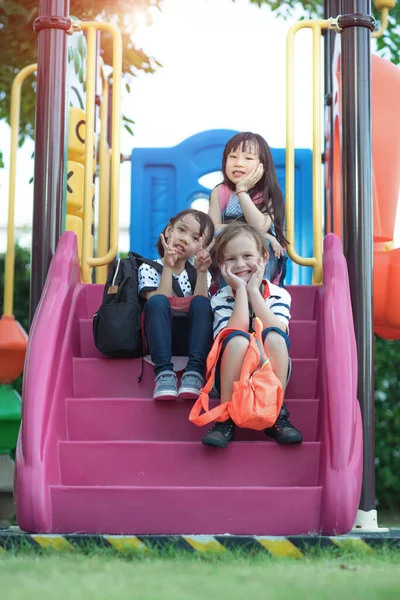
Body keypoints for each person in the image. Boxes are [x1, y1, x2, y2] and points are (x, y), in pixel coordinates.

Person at [201, 222, 302, 449]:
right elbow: (231, 332)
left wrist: (254, 291)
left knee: (274, 336)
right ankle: (225, 417)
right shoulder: (220, 298)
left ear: (264, 258)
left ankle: (276, 414)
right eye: (231, 259)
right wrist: (240, 292)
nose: (240, 265)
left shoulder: (278, 295)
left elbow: (279, 329)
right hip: (230, 373)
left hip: (267, 371)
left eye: (247, 256)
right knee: (237, 340)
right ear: (221, 264)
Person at [138, 209, 215, 401]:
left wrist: (203, 272)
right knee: (157, 301)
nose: (185, 239)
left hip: (189, 340)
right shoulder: (148, 267)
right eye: (181, 230)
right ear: (169, 229)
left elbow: (202, 310)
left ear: (202, 247)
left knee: (202, 303)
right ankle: (163, 373)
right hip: (160, 339)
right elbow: (157, 302)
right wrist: (168, 267)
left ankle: (195, 372)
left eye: (195, 238)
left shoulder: (200, 272)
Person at [208, 131, 287, 283]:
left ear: (263, 165)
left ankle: (260, 293)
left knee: (262, 242)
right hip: (230, 258)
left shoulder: (268, 193)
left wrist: (242, 190)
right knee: (225, 241)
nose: (238, 163)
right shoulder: (220, 192)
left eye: (248, 158)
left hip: (263, 258)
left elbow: (259, 227)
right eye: (232, 157)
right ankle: (230, 295)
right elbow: (212, 227)